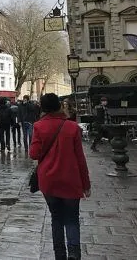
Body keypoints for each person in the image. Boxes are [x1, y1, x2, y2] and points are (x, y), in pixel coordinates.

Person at [30, 93, 90, 260]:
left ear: (42, 108)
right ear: (58, 106)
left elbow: (33, 154)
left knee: (56, 218)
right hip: (71, 179)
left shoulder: (38, 126)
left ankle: (60, 255)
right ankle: (74, 254)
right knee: (72, 218)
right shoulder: (72, 127)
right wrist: (86, 184)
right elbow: (80, 158)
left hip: (49, 180)